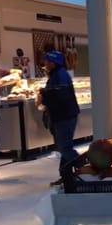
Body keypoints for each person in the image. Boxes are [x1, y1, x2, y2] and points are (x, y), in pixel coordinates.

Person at [37, 50, 80, 183]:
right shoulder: (58, 74)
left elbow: (59, 97)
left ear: (53, 62)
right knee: (64, 146)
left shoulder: (59, 76)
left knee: (65, 148)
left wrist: (42, 94)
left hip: (64, 117)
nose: (45, 63)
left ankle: (85, 168)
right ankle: (66, 176)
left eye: (47, 61)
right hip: (66, 115)